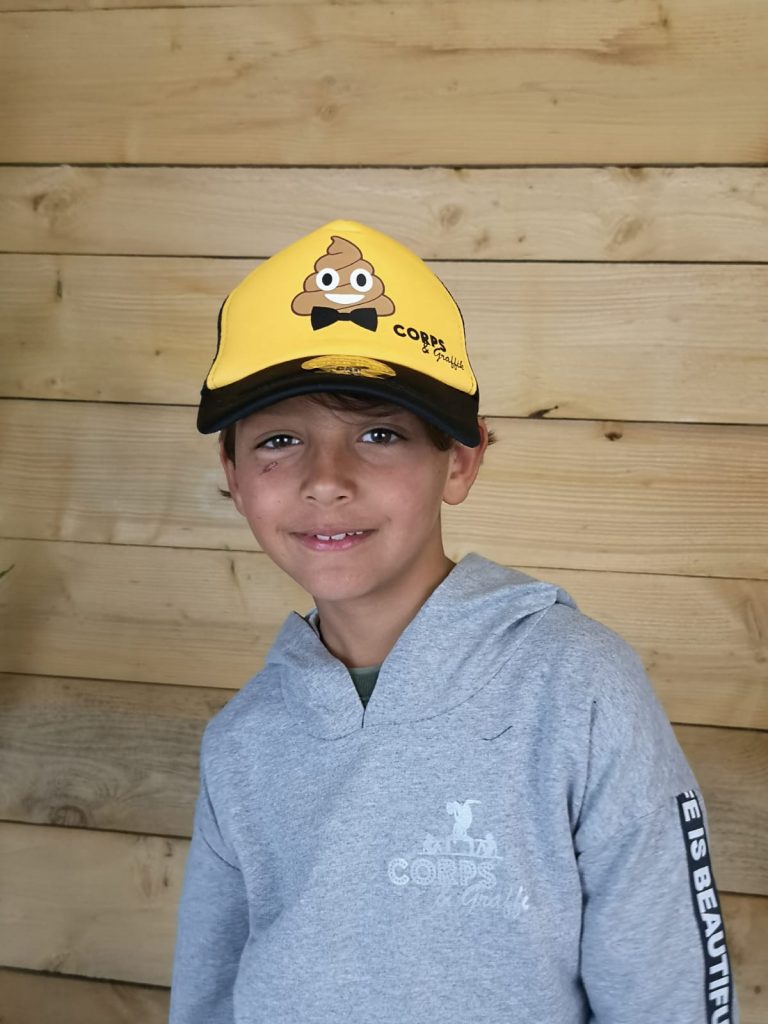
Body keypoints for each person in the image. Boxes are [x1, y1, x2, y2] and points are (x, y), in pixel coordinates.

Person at [168, 220, 738, 1023]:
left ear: (461, 461)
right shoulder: (242, 738)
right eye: (280, 439)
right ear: (233, 474)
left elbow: (668, 996)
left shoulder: (578, 689)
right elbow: (208, 996)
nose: (325, 480)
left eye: (379, 434)